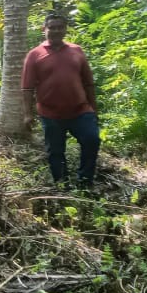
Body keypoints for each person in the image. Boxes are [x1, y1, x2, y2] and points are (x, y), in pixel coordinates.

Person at [22, 12, 100, 189]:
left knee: (92, 140)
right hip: (50, 114)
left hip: (80, 111)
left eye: (60, 27)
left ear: (65, 29)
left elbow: (88, 83)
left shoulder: (76, 51)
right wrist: (27, 114)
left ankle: (85, 183)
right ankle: (61, 185)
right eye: (52, 27)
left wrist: (94, 109)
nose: (56, 31)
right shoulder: (34, 55)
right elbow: (27, 88)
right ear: (44, 29)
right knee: (55, 152)